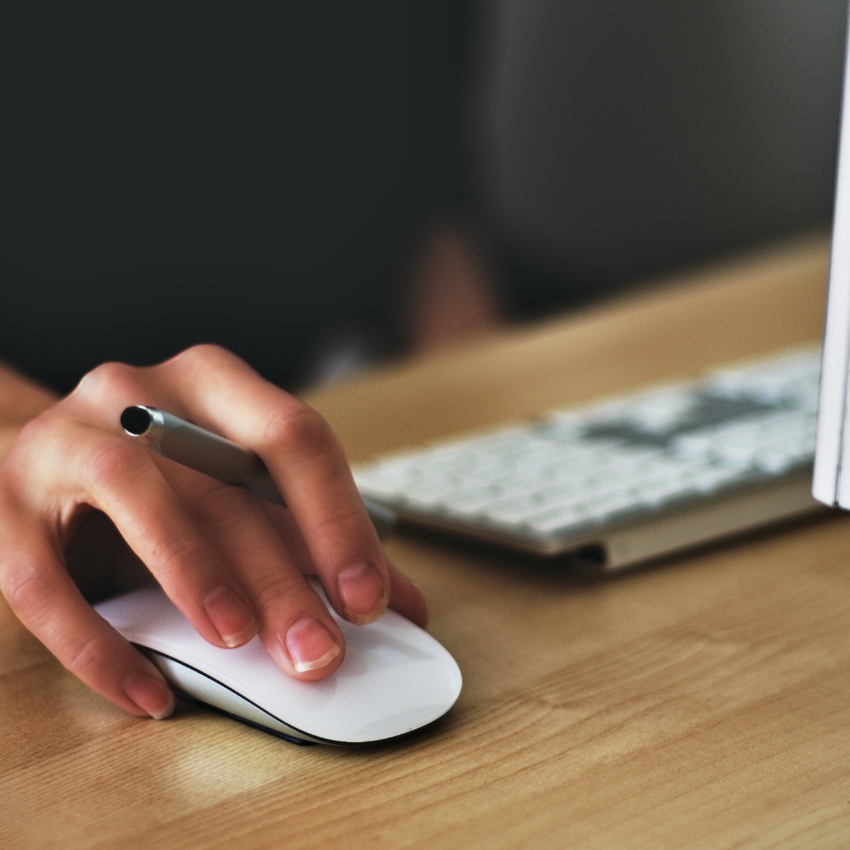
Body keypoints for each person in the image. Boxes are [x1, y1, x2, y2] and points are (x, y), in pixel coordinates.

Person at [0, 3, 475, 722]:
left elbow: (432, 202)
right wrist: (17, 435)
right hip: (61, 439)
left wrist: (490, 416)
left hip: (275, 449)